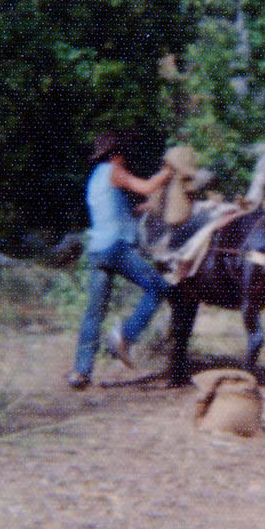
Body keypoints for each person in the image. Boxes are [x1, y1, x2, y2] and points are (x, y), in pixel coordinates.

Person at [68, 130, 175, 389]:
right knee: (158, 286)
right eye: (124, 155)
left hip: (97, 251)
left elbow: (114, 212)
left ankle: (81, 372)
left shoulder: (95, 178)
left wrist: (142, 208)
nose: (126, 160)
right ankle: (125, 335)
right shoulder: (114, 171)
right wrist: (168, 172)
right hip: (115, 248)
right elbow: (147, 186)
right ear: (116, 155)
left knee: (94, 312)